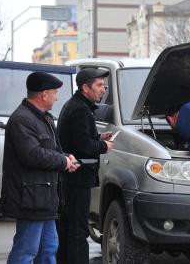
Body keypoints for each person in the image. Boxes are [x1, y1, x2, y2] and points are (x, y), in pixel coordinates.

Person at [0, 71, 80, 264]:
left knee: (48, 249)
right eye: (54, 92)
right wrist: (62, 162)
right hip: (30, 199)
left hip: (43, 199)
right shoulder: (22, 119)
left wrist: (64, 157)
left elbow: (48, 150)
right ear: (44, 94)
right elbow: (32, 155)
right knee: (25, 251)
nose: (57, 97)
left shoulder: (43, 118)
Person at [56, 67, 114, 264]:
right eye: (99, 85)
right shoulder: (80, 109)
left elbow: (77, 138)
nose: (103, 89)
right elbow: (82, 145)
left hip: (73, 177)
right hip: (76, 179)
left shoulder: (78, 106)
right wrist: (103, 146)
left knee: (68, 227)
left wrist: (98, 137)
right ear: (85, 88)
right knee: (77, 230)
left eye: (103, 85)